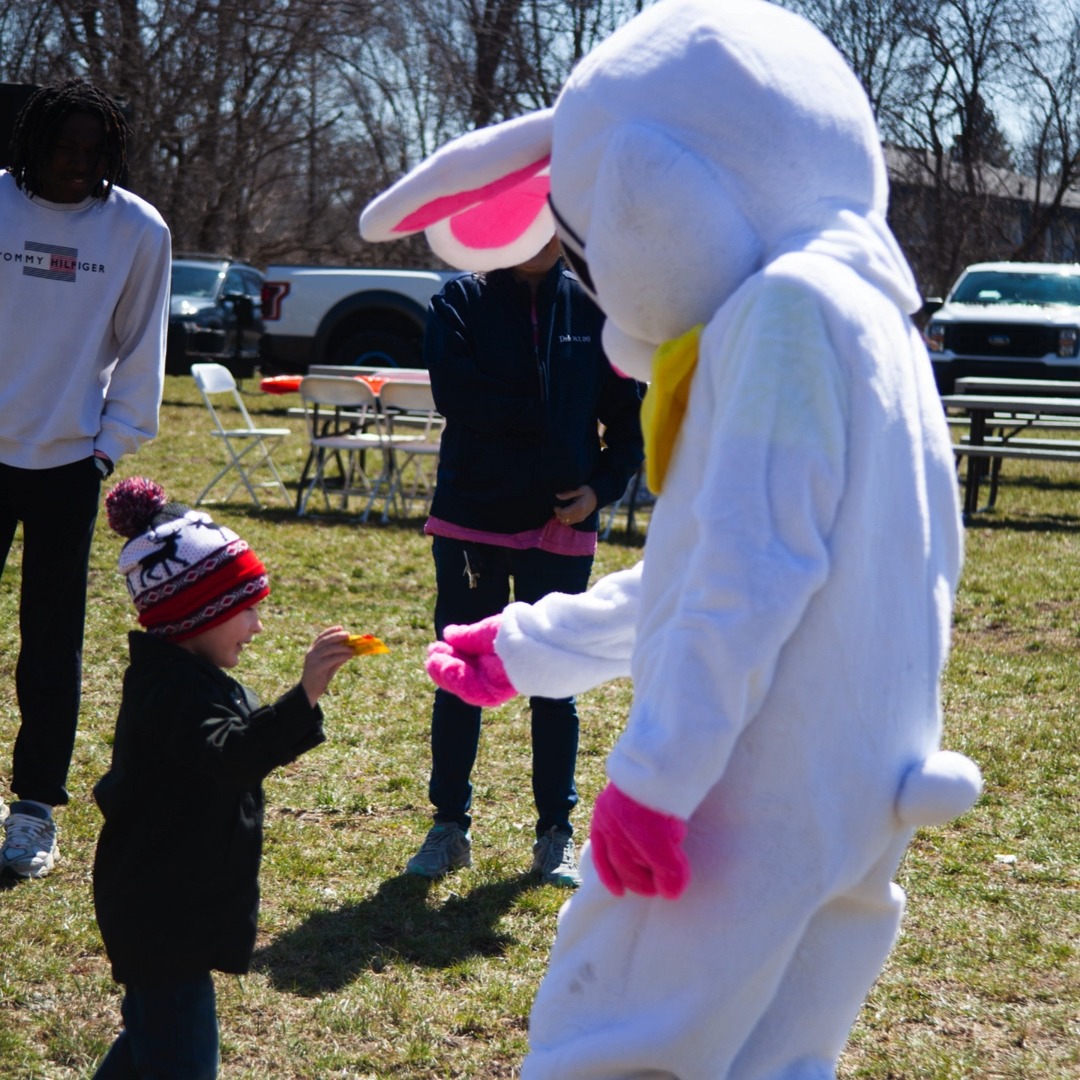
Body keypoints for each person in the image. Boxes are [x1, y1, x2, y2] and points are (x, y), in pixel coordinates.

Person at [360, 0, 984, 1075]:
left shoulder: (779, 316)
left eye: (598, 256)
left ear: (662, 186)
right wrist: (528, 644)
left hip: (743, 798)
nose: (608, 310)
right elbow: (720, 567)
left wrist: (657, 778)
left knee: (613, 1048)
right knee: (775, 1061)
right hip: (864, 793)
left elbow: (747, 578)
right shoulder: (879, 320)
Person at [91, 477, 357, 1079]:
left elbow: (237, 745)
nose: (258, 627)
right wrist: (305, 693)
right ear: (196, 612)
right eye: (247, 609)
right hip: (160, 915)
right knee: (183, 1061)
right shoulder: (169, 690)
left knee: (151, 1047)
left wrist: (291, 713)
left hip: (173, 906)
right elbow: (231, 753)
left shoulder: (194, 677)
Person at [406, 234, 644, 887]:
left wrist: (598, 486)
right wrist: (557, 413)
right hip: (471, 520)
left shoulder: (596, 308)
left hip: (559, 526)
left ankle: (554, 836)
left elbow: (628, 421)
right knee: (460, 676)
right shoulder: (460, 298)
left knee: (555, 682)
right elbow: (459, 395)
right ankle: (448, 827)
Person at [0, 78, 171, 878]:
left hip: (67, 462)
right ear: (31, 142)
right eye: (63, 146)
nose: (77, 163)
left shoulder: (136, 230)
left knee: (51, 643)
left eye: (93, 150)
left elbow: (141, 351)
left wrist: (108, 447)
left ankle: (34, 808)